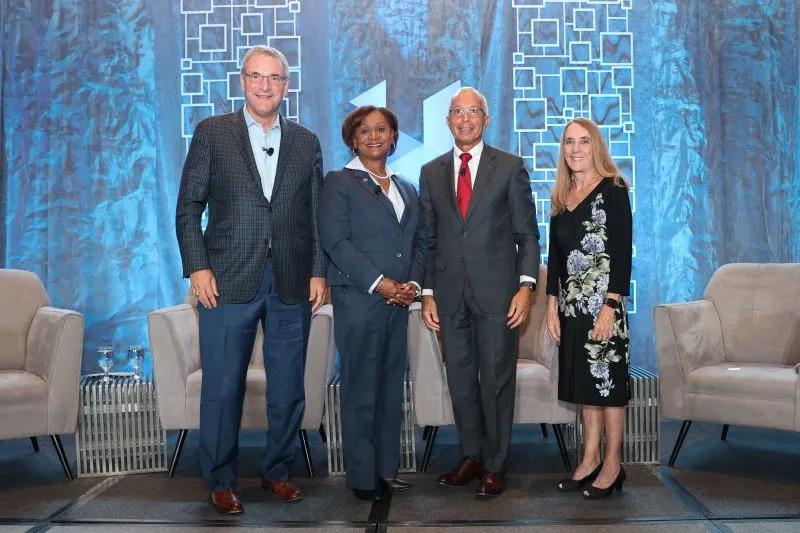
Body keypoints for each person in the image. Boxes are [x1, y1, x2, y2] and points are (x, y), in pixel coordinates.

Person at [175, 45, 327, 514]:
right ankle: (220, 480)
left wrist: (318, 270)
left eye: (274, 78)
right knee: (223, 387)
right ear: (242, 81)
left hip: (291, 281)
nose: (265, 85)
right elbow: (188, 206)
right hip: (226, 280)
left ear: (286, 86)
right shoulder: (212, 132)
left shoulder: (306, 141)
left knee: (288, 387)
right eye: (256, 76)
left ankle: (277, 471)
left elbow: (315, 215)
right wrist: (197, 266)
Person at [419, 87, 540, 497]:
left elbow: (527, 236)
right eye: (458, 111)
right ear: (448, 120)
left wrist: (526, 288)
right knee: (460, 380)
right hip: (449, 296)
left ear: (486, 120)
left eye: (473, 111)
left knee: (496, 380)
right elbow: (429, 240)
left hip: (499, 296)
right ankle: (470, 455)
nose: (465, 118)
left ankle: (495, 464)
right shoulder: (431, 172)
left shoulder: (509, 167)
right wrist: (427, 293)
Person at [320, 105, 425, 501]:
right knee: (361, 389)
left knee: (390, 389)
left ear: (394, 137)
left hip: (399, 301)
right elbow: (336, 243)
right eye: (364, 130)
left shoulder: (406, 188)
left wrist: (413, 284)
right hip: (360, 299)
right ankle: (363, 478)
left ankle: (386, 470)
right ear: (352, 139)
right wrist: (381, 284)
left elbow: (419, 243)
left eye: (382, 129)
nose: (374, 136)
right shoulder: (339, 182)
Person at [544, 117, 632, 499]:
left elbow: (623, 252)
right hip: (571, 308)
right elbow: (555, 256)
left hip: (603, 309)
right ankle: (590, 459)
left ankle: (613, 465)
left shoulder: (614, 188)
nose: (575, 149)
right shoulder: (561, 196)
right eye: (568, 142)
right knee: (585, 387)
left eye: (583, 141)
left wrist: (611, 305)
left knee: (607, 387)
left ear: (595, 146)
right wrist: (551, 305)